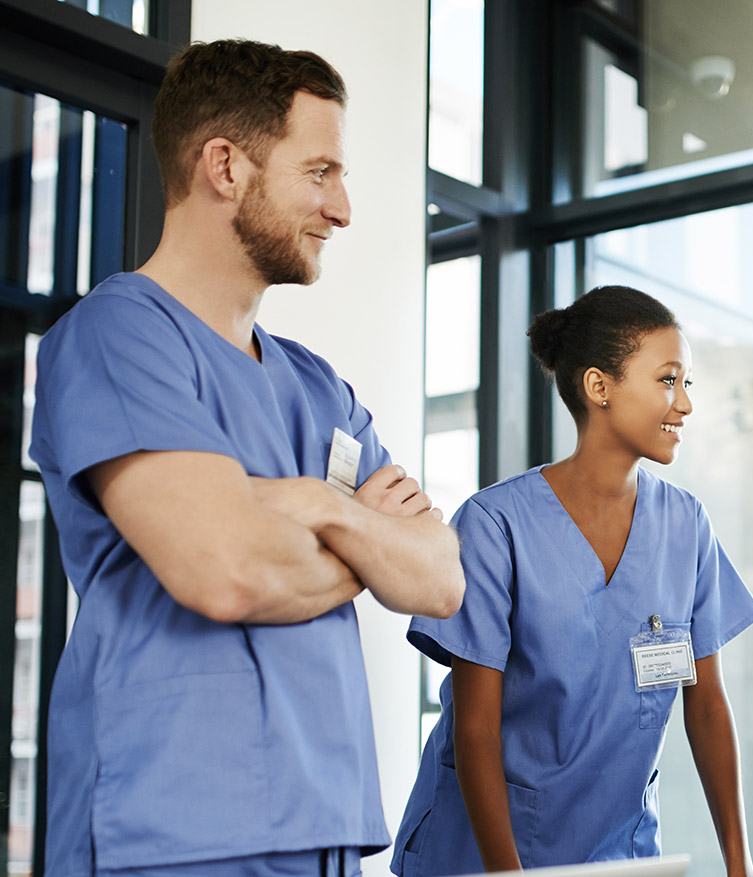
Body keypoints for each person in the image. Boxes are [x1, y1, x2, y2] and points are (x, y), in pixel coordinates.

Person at [28, 40, 465, 877]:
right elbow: (226, 571)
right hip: (172, 829)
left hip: (323, 827)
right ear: (225, 167)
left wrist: (320, 506)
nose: (342, 209)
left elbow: (440, 578)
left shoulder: (318, 387)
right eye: (319, 172)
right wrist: (365, 538)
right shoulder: (119, 334)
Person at [391, 286, 753, 876]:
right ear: (599, 386)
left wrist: (740, 866)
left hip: (618, 850)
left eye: (687, 383)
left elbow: (708, 707)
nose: (686, 404)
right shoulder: (495, 525)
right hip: (484, 853)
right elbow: (476, 729)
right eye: (668, 380)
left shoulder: (686, 524)